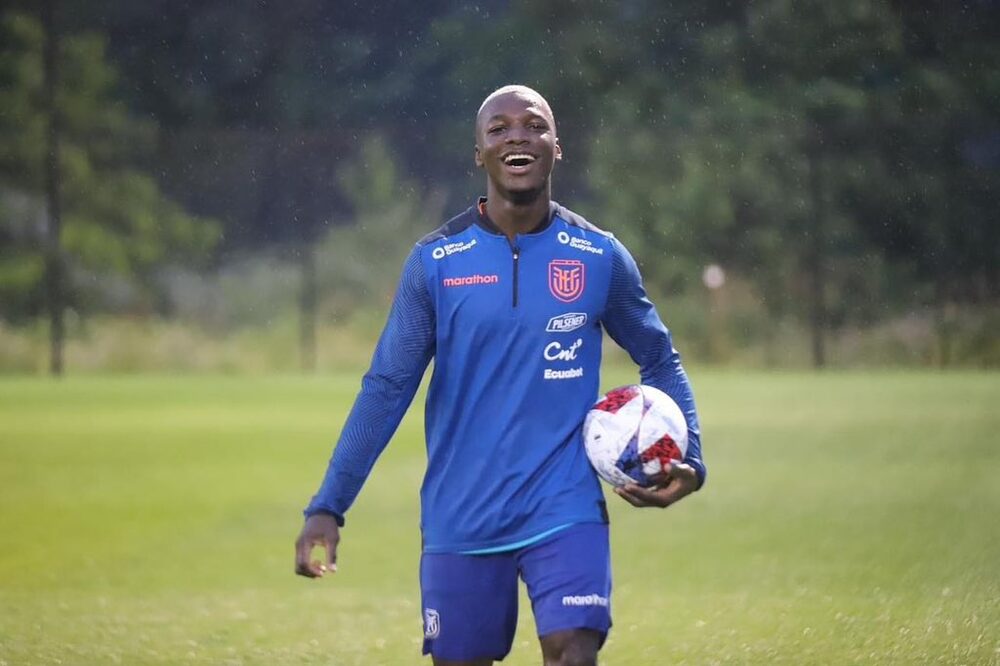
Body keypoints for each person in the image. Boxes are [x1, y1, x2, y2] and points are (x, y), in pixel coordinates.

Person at [295, 84, 706, 666]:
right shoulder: (434, 263)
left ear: (556, 147)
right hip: (462, 512)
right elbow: (386, 389)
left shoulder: (599, 255)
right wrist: (328, 506)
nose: (518, 135)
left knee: (574, 652)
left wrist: (693, 460)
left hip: (564, 505)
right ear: (479, 154)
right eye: (499, 128)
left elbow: (661, 358)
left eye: (534, 125)